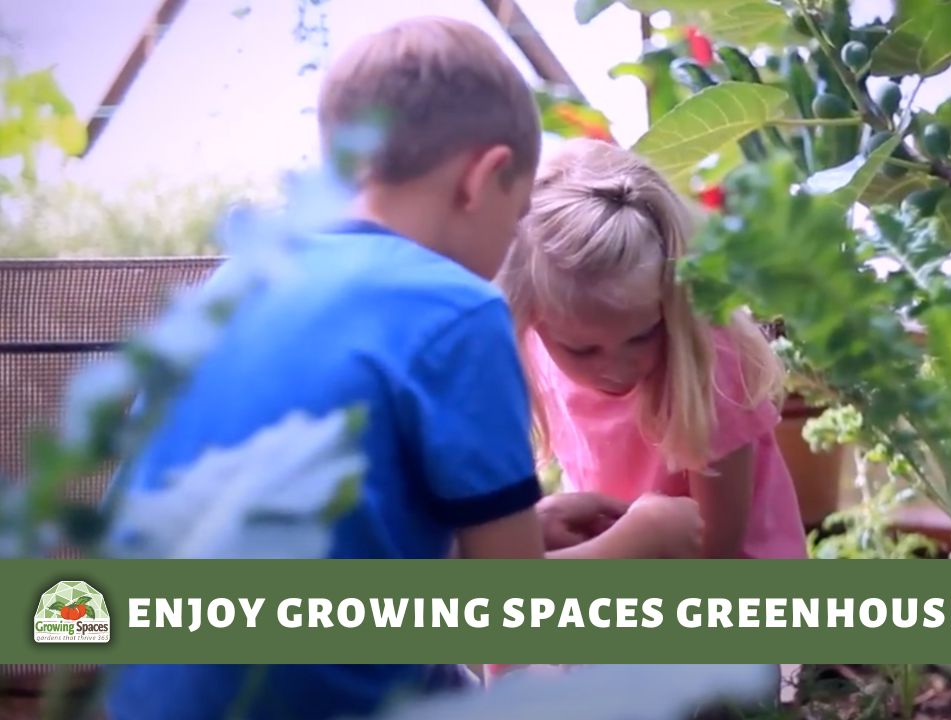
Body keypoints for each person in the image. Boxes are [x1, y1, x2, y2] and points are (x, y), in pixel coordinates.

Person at [105, 17, 701, 720]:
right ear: (481, 181)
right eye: (515, 226)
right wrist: (641, 543)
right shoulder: (458, 311)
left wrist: (520, 525)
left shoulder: (233, 287)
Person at [496, 137, 809, 563]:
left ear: (673, 302)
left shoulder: (707, 360)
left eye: (643, 336)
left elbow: (719, 546)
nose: (616, 367)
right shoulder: (536, 350)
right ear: (531, 320)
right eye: (583, 351)